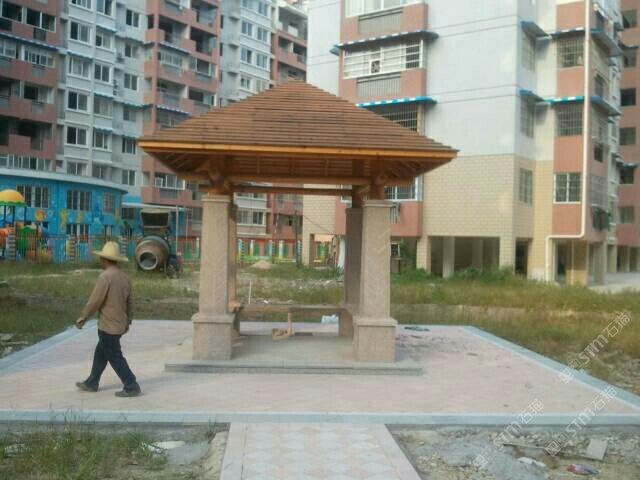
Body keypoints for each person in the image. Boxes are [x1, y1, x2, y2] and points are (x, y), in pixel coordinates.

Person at [75, 241, 142, 397]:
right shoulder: (125, 278)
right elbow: (130, 302)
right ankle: (92, 382)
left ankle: (131, 385)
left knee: (114, 355)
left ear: (104, 259)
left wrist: (83, 317)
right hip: (119, 325)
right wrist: (129, 320)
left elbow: (95, 301)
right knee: (101, 351)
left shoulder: (105, 277)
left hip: (107, 326)